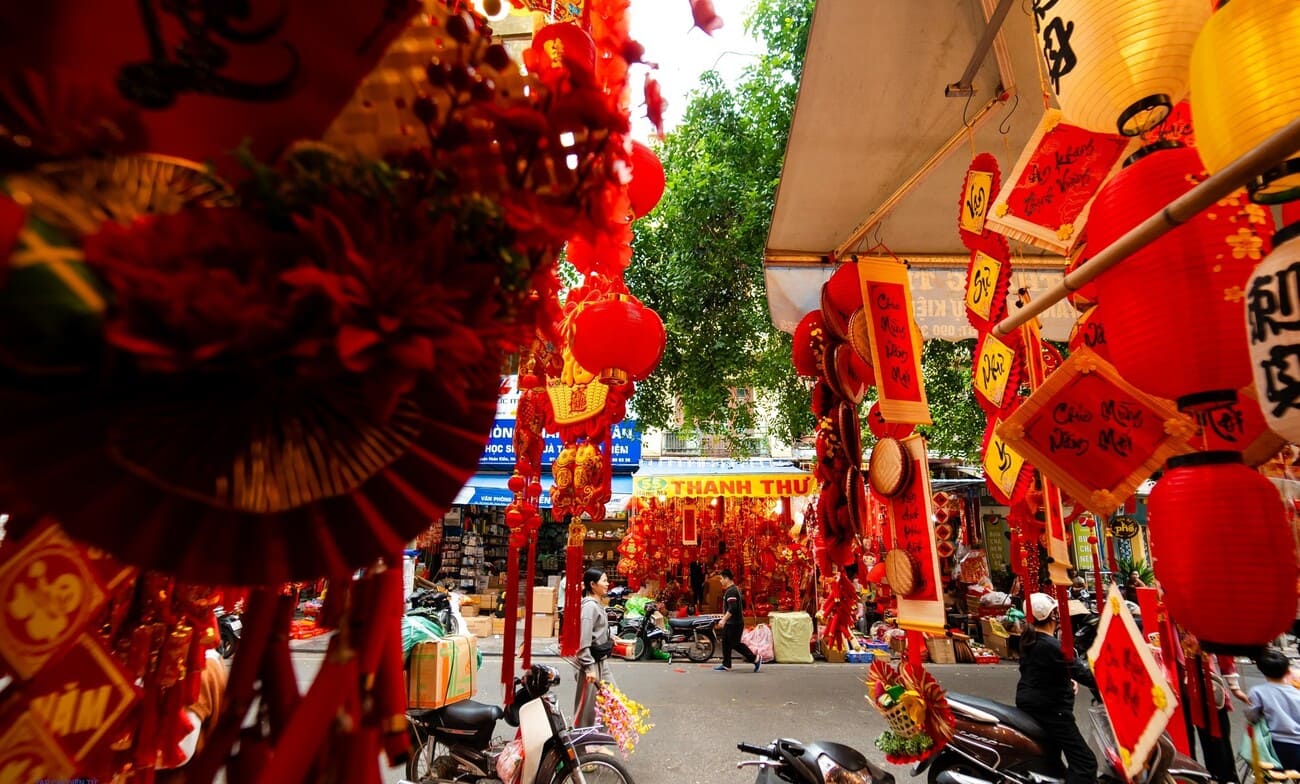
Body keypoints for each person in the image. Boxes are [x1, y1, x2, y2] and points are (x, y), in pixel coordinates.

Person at [1016, 592, 1099, 784]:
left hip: (1033, 705)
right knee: (1085, 764)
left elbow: (1042, 671)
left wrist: (1069, 680)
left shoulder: (1030, 641)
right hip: (1052, 711)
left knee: (1053, 759)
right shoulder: (1052, 646)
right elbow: (1082, 673)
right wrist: (1108, 682)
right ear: (1052, 616)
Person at [1246, 647, 1300, 770]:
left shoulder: (1258, 692)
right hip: (1298, 742)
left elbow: (1252, 716)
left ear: (1262, 670)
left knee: (1275, 777)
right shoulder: (1297, 691)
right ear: (1287, 671)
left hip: (1276, 744)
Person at [574, 567, 614, 727]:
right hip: (591, 663)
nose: (607, 584)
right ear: (592, 584)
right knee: (588, 707)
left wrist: (611, 638)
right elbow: (583, 639)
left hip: (601, 662)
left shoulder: (597, 604)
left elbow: (596, 631)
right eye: (604, 581)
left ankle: (597, 739)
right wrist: (589, 667)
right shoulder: (589, 606)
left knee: (611, 697)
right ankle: (582, 745)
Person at [713, 569, 760, 673]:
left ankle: (755, 658)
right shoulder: (732, 590)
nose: (720, 581)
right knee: (725, 642)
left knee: (735, 644)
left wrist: (724, 620)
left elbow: (732, 608)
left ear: (726, 578)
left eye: (721, 579)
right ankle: (726, 664)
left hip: (734, 623)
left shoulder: (732, 591)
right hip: (731, 622)